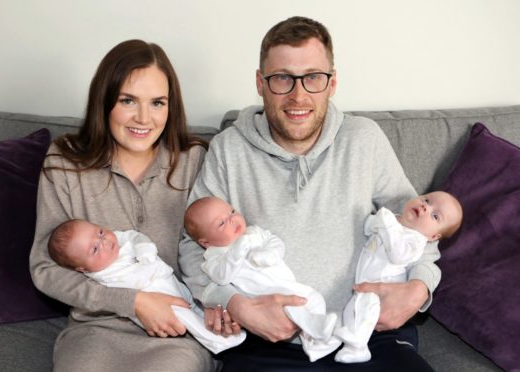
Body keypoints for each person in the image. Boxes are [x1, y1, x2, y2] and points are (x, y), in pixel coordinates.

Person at [179, 16, 441, 371]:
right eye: (282, 78)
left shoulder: (364, 139)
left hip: (366, 333)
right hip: (269, 340)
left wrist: (419, 289)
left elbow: (420, 226)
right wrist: (236, 304)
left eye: (313, 78)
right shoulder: (229, 150)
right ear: (260, 83)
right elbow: (192, 247)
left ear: (332, 84)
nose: (298, 95)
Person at [29, 40, 216, 372]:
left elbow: (218, 249)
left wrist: (222, 305)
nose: (144, 118)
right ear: (105, 102)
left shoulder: (194, 160)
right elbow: (46, 270)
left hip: (178, 328)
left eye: (157, 103)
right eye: (128, 100)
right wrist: (133, 302)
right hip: (96, 329)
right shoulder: (65, 161)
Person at [47, 219, 246, 354]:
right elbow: (105, 296)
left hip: (169, 282)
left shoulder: (120, 238)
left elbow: (135, 236)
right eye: (95, 249)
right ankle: (219, 342)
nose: (105, 241)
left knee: (197, 306)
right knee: (185, 317)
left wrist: (144, 248)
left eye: (99, 232)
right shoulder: (99, 275)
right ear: (82, 268)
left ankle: (224, 326)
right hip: (154, 306)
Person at [184, 196, 339, 362]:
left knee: (314, 298)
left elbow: (275, 240)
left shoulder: (254, 232)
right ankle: (316, 327)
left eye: (232, 211)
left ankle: (315, 344)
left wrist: (271, 253)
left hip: (287, 284)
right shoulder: (214, 257)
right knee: (290, 311)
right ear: (206, 242)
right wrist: (235, 253)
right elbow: (221, 277)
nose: (232, 219)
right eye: (221, 223)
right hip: (265, 298)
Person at [334, 191, 463, 363]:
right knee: (351, 313)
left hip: (382, 293)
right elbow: (368, 226)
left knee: (367, 310)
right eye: (426, 199)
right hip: (362, 284)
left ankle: (358, 347)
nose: (425, 206)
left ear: (433, 237)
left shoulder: (416, 241)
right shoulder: (393, 219)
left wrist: (387, 223)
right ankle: (333, 340)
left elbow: (398, 255)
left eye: (435, 216)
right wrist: (378, 221)